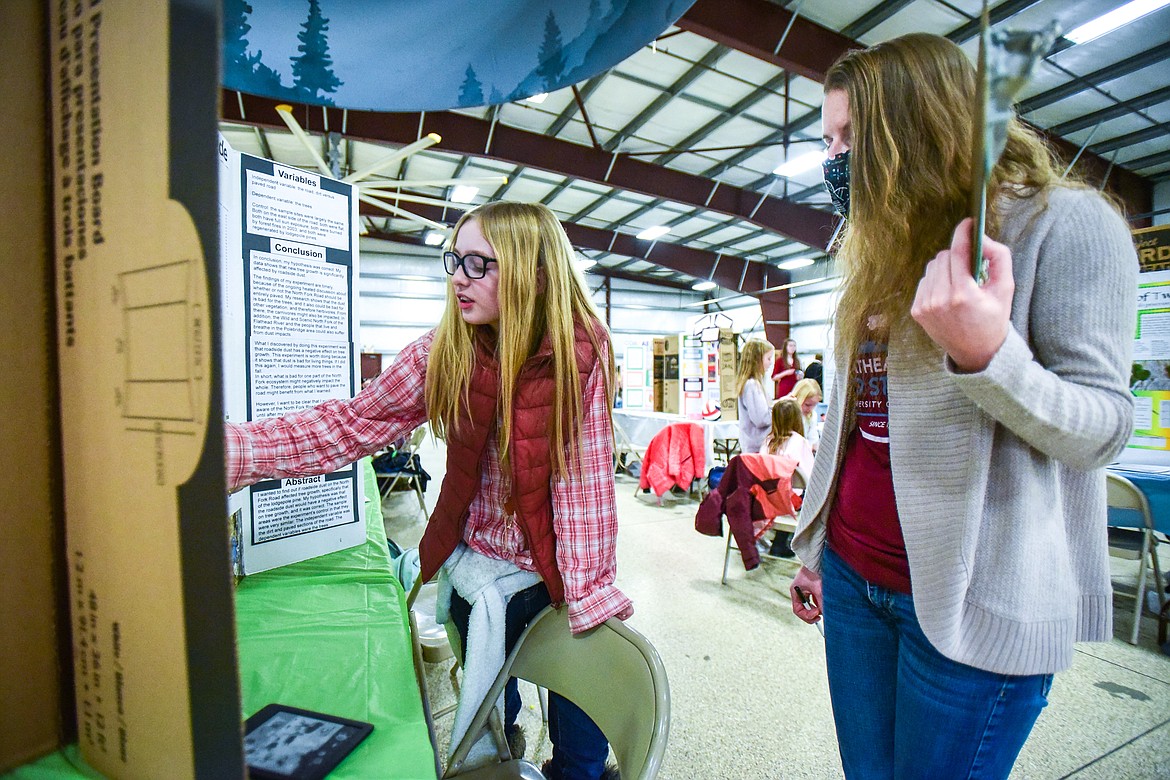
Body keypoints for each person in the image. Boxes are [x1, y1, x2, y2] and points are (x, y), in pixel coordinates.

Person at [788, 33, 1136, 779]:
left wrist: (989, 356)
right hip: (854, 577)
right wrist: (816, 546)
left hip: (970, 599)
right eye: (828, 140)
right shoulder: (876, 249)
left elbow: (1103, 431)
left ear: (917, 128)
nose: (834, 160)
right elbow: (850, 424)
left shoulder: (1065, 225)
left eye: (851, 137)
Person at [224, 201, 630, 780]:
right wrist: (237, 451)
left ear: (532, 272)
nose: (458, 277)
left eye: (479, 264)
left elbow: (584, 487)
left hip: (561, 568)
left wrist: (586, 600)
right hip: (478, 563)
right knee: (491, 693)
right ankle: (504, 746)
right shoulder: (445, 349)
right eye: (454, 260)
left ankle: (579, 770)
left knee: (579, 708)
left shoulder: (580, 352)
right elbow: (350, 424)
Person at [761, 397, 814, 558]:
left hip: (765, 498)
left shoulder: (767, 442)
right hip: (788, 502)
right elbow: (810, 476)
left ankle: (778, 540)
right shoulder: (800, 442)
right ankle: (788, 542)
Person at [735, 338, 776, 454]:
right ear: (757, 360)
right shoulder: (752, 385)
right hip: (756, 447)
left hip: (757, 446)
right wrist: (778, 409)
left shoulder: (755, 384)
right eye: (768, 358)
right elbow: (761, 419)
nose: (771, 362)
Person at [787, 378, 822, 453]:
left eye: (814, 405)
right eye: (807, 405)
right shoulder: (786, 414)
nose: (810, 409)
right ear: (797, 398)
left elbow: (813, 440)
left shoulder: (812, 416)